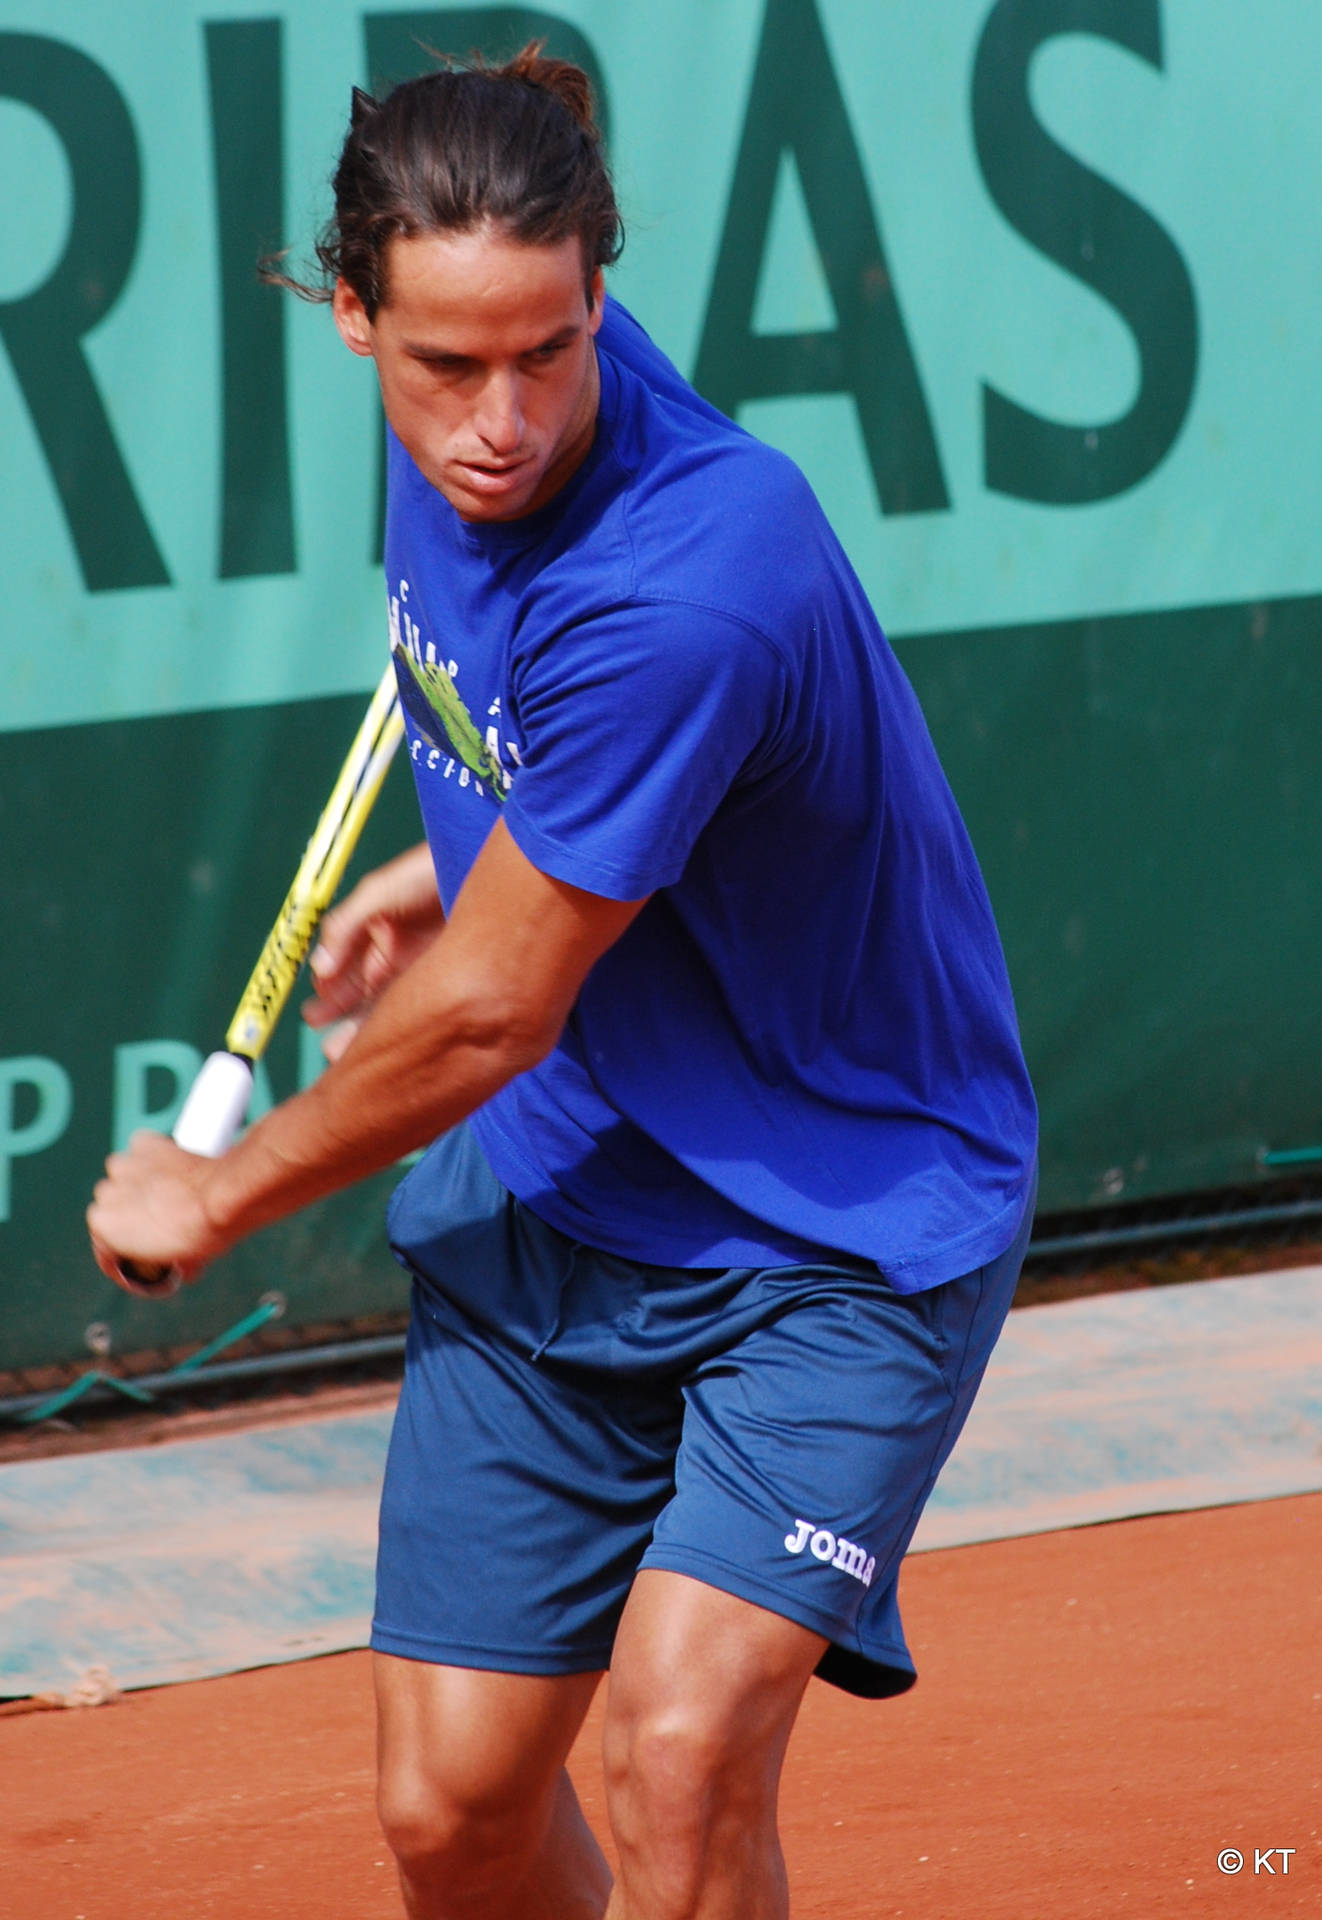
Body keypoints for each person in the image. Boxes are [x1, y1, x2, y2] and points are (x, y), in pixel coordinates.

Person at [88, 45, 1038, 1920]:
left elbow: (494, 1009)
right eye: (446, 364)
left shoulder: (695, 574)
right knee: (453, 1815)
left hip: (841, 1216)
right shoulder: (483, 366)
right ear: (351, 311)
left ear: (599, 294)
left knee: (678, 1753)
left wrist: (218, 1186)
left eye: (550, 349)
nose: (503, 420)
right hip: (569, 1178)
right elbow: (552, 794)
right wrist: (459, 863)